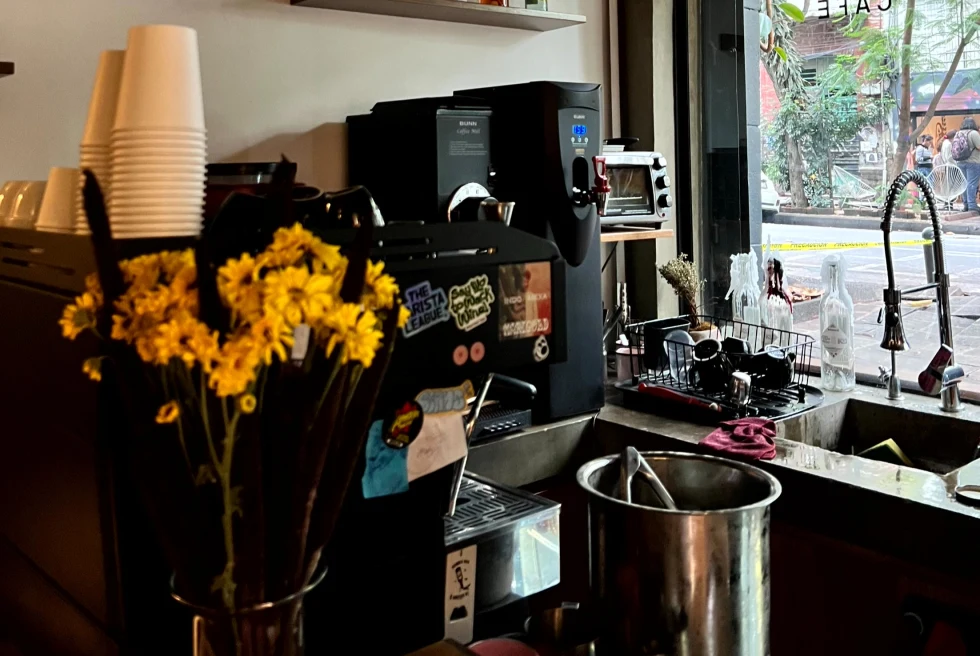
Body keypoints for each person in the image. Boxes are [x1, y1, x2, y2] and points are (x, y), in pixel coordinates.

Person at [956, 117, 980, 212]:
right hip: (973, 162)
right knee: (972, 184)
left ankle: (966, 204)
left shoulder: (958, 133)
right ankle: (972, 205)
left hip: (960, 162)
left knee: (964, 184)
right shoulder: (973, 133)